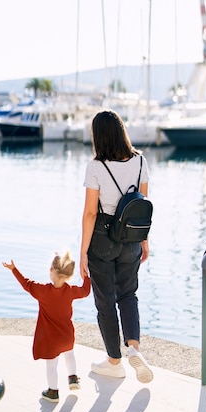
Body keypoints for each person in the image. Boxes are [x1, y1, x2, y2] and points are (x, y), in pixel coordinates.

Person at [80, 109, 153, 383]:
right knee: (128, 295)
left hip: (102, 238)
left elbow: (89, 213)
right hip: (131, 238)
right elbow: (142, 207)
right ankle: (133, 347)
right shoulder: (141, 161)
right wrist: (144, 242)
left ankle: (114, 362)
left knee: (105, 303)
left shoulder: (96, 167)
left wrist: (83, 252)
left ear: (98, 136)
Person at [2, 251, 91, 403]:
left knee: (52, 365)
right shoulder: (70, 291)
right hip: (67, 335)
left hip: (51, 339)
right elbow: (85, 292)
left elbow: (26, 284)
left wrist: (14, 269)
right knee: (69, 354)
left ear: (52, 271)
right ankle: (73, 377)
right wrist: (86, 277)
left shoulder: (43, 291)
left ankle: (53, 392)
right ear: (69, 275)